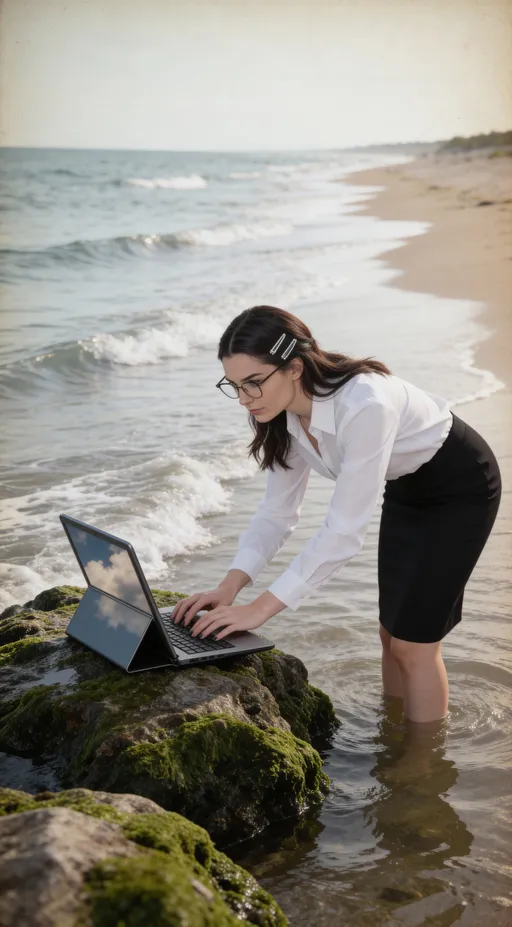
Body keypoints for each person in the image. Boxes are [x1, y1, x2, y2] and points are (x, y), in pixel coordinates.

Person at [171, 305, 501, 723]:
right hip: (405, 487)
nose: (243, 399)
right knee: (390, 633)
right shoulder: (279, 412)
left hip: (460, 487)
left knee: (414, 645)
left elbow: (343, 533)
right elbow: (277, 513)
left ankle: (423, 758)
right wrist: (230, 585)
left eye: (253, 383)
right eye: (234, 385)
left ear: (294, 368)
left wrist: (260, 609)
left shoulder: (365, 405)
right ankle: (392, 732)